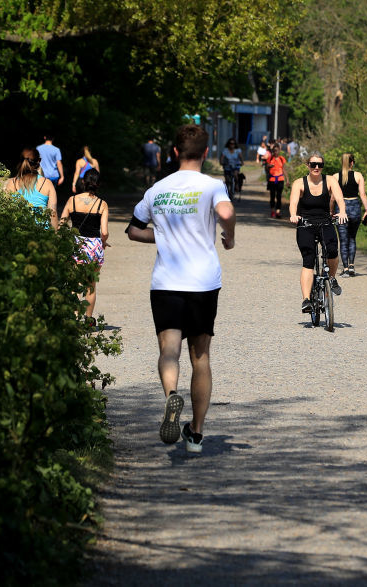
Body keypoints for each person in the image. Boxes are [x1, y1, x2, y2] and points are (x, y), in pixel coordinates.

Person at [127, 124, 236, 453]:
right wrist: (229, 236)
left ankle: (171, 395)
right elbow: (226, 212)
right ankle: (196, 434)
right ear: (205, 152)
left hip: (167, 283)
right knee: (201, 358)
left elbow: (133, 231)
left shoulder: (157, 190)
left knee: (169, 351)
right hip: (203, 283)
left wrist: (160, 237)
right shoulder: (212, 186)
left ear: (174, 152)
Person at [289, 153, 348, 313]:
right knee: (308, 260)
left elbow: (339, 198)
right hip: (305, 224)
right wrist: (294, 215)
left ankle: (332, 278)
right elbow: (293, 202)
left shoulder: (330, 181)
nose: (316, 167)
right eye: (313, 164)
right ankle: (306, 300)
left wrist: (342, 211)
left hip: (325, 222)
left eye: (319, 165)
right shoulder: (299, 183)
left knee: (333, 251)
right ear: (307, 165)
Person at [60, 168, 109, 325]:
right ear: (98, 184)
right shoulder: (102, 204)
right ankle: (88, 320)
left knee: (74, 284)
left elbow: (62, 224)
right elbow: (105, 232)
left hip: (76, 244)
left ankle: (73, 318)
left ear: (83, 182)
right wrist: (103, 242)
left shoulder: (72, 201)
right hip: (93, 246)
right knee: (90, 285)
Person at [333, 153, 367, 276]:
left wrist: (330, 211)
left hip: (341, 208)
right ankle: (352, 265)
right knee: (352, 238)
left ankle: (345, 269)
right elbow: (363, 194)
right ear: (352, 163)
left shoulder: (335, 177)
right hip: (354, 207)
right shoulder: (358, 175)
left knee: (343, 240)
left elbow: (333, 198)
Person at [3, 147, 58, 230]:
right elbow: (53, 213)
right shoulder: (47, 183)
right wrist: (55, 236)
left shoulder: (12, 183)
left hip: (18, 232)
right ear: (39, 161)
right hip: (41, 233)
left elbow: (6, 211)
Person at [265, 144, 288, 218]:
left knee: (279, 196)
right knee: (272, 196)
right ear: (273, 151)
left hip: (280, 179)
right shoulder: (270, 158)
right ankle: (272, 211)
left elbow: (284, 169)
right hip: (272, 179)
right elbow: (266, 168)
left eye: (277, 150)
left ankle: (278, 212)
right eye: (274, 151)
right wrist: (268, 166)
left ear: (279, 151)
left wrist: (287, 179)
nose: (275, 152)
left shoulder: (282, 158)